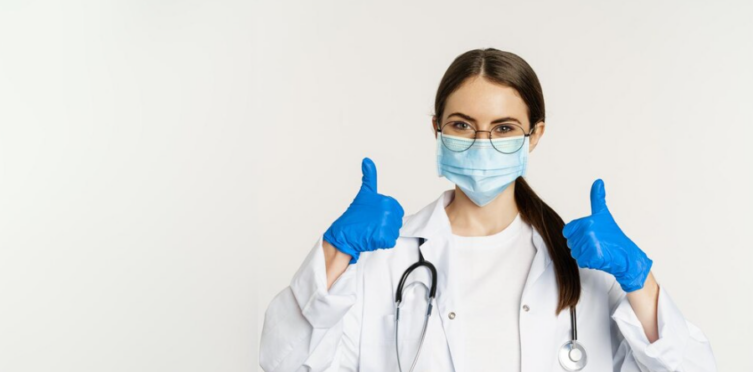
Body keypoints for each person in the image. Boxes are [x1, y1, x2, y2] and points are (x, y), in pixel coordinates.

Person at [259, 48, 717, 372]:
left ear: (534, 135)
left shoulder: (587, 265)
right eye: (462, 125)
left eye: (504, 128)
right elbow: (284, 364)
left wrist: (640, 279)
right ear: (437, 128)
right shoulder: (385, 260)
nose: (482, 143)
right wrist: (334, 252)